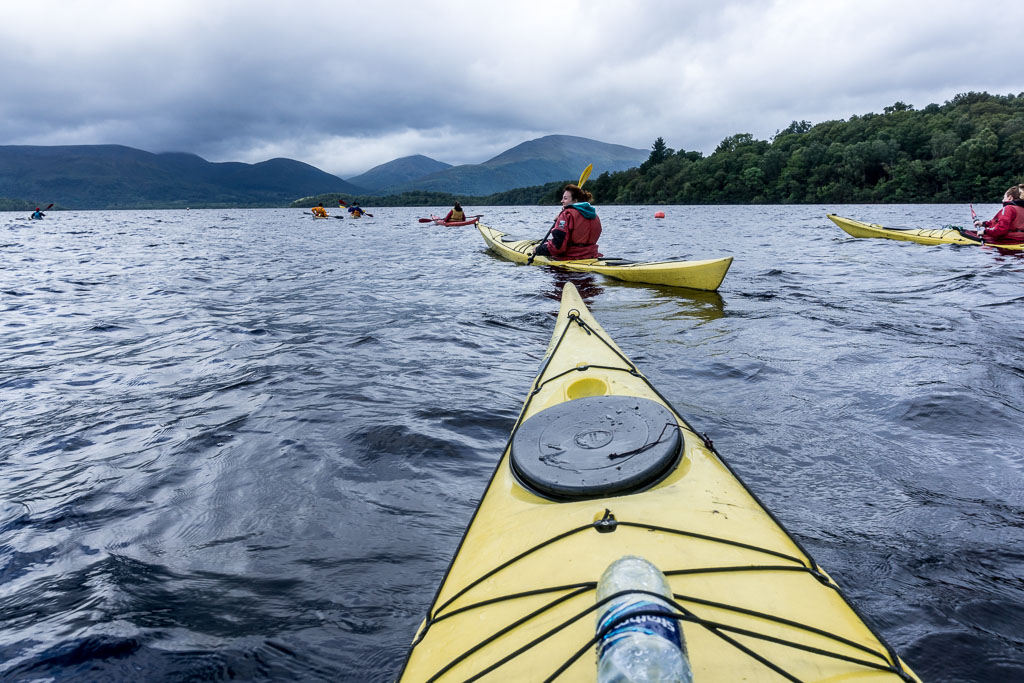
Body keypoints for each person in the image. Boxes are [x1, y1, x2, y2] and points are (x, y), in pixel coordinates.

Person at [532, 184, 602, 260]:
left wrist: (539, 250)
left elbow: (558, 247)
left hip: (570, 257)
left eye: (565, 198)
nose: (562, 201)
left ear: (575, 201)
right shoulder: (595, 216)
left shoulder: (566, 215)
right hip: (591, 255)